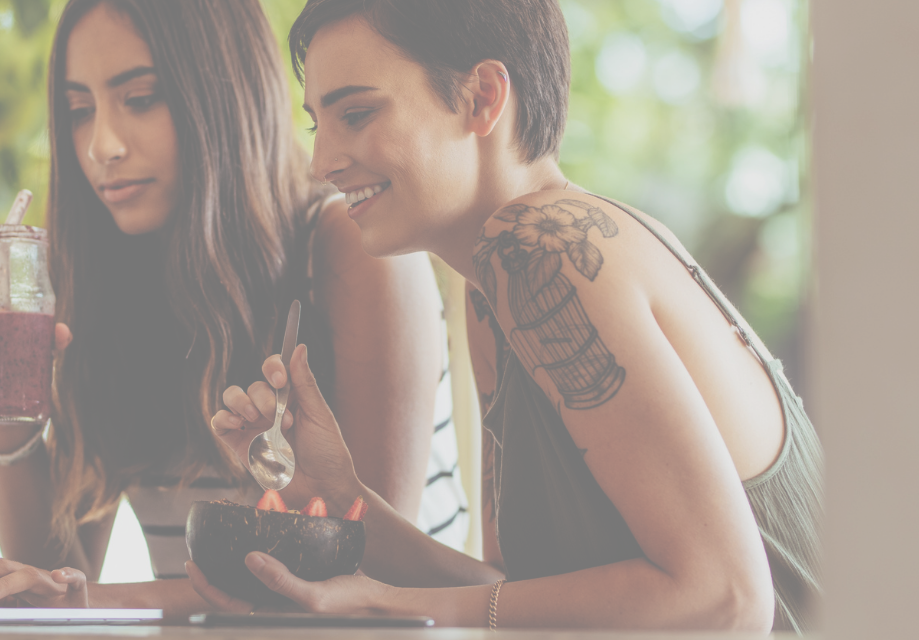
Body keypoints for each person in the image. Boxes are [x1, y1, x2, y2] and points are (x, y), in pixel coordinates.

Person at [195, 0, 821, 631]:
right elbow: (515, 596)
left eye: (356, 114)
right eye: (316, 127)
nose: (320, 163)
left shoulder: (540, 247)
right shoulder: (494, 286)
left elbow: (726, 600)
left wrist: (390, 603)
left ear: (482, 98)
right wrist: (342, 497)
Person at [0, 0, 471, 614]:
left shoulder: (348, 249)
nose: (102, 145)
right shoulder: (104, 270)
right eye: (78, 111)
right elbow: (53, 580)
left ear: (224, 94)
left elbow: (351, 568)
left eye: (141, 98)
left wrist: (96, 598)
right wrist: (9, 428)